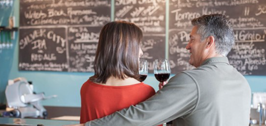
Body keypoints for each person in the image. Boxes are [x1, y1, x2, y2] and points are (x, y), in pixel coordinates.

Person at [69, 14, 251, 126]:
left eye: (192, 39)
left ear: (209, 42)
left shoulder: (190, 81)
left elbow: (139, 117)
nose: (187, 46)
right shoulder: (242, 83)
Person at [79, 21, 156, 124]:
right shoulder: (146, 92)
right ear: (126, 49)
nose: (141, 52)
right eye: (138, 46)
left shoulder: (87, 88)